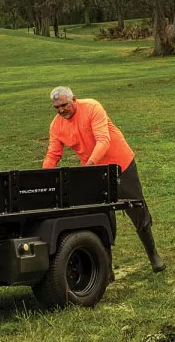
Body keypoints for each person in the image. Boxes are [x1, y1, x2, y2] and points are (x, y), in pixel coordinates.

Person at [42, 86, 165, 273]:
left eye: (64, 105)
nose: (61, 110)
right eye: (56, 107)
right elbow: (53, 154)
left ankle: (153, 255)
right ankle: (105, 269)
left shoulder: (92, 108)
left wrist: (89, 167)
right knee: (101, 218)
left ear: (74, 99)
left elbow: (103, 140)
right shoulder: (56, 126)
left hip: (120, 165)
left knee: (137, 208)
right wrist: (44, 176)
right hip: (95, 172)